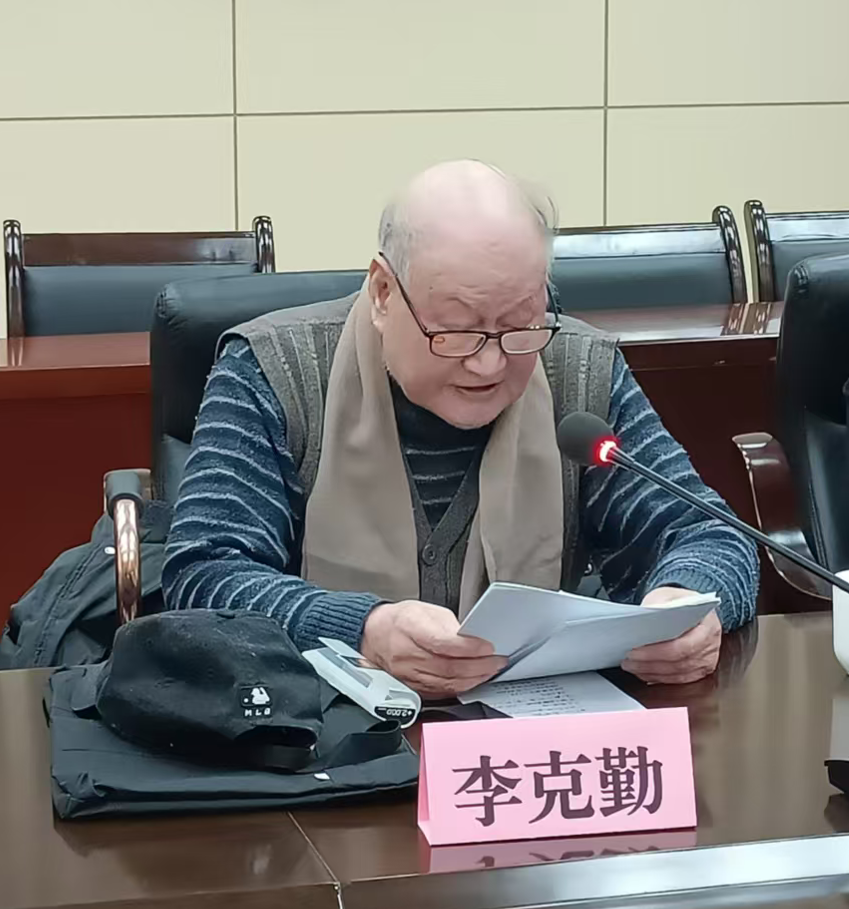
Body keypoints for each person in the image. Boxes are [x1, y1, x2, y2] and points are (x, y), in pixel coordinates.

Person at [163, 160, 758, 696]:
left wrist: (689, 602)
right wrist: (362, 628)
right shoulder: (274, 371)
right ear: (383, 292)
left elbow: (710, 534)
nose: (489, 363)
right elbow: (203, 574)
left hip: (526, 744)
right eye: (457, 330)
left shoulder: (579, 371)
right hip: (317, 741)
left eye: (519, 324)